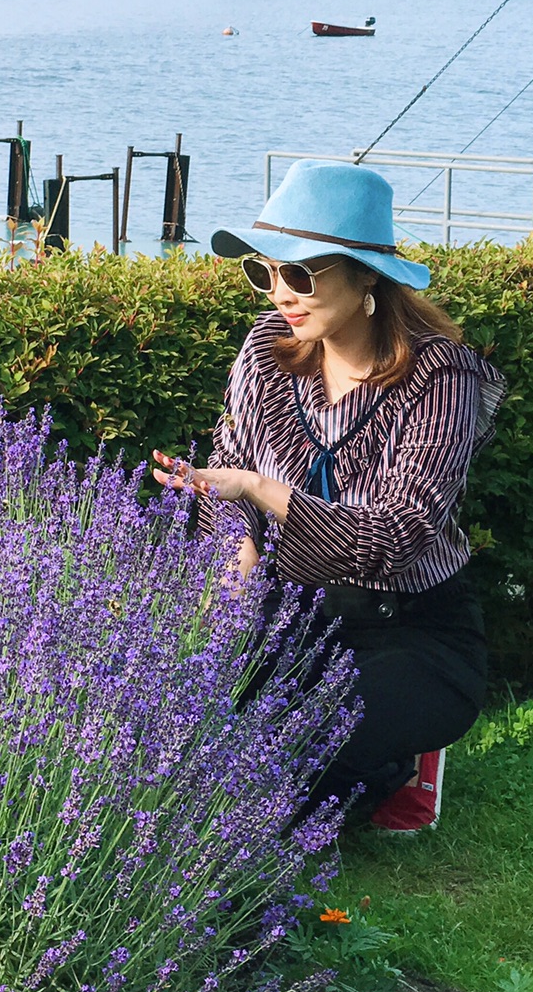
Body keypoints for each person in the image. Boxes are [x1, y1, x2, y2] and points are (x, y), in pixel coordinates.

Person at [152, 159, 504, 831]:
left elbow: (394, 536)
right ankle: (362, 770)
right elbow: (225, 477)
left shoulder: (441, 375)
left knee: (285, 756)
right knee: (177, 731)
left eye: (301, 273)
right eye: (265, 271)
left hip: (411, 629)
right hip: (291, 615)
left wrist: (262, 489)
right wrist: (238, 549)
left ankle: (386, 766)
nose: (281, 292)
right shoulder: (266, 347)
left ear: (367, 274)